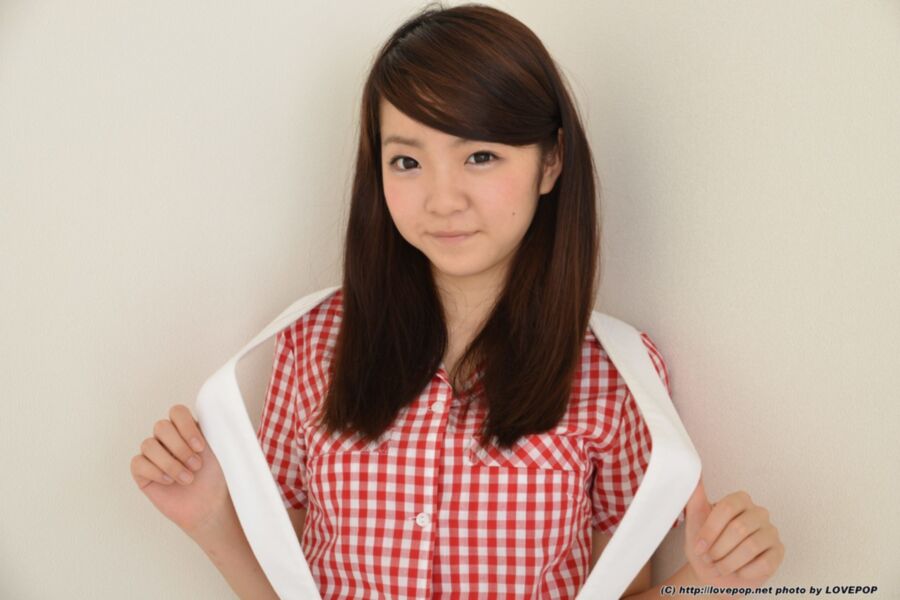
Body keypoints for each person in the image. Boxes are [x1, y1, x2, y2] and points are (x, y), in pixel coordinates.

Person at [130, 3, 784, 598]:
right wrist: (210, 519)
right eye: (407, 162)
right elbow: (290, 585)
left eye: (480, 156)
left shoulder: (617, 373)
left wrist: (707, 580)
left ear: (551, 161)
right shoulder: (313, 343)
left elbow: (616, 585)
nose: (442, 200)